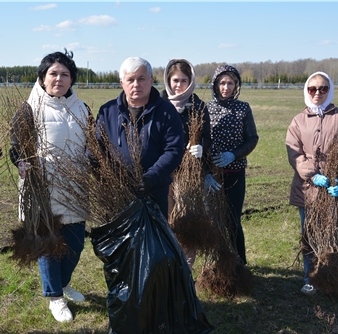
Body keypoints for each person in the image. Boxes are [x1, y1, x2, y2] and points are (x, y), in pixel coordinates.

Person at [9, 50, 90, 323]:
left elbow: (91, 145)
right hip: (42, 189)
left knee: (76, 243)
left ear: (72, 79)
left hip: (75, 187)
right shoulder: (28, 108)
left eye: (65, 74)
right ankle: (55, 297)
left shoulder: (83, 108)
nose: (59, 79)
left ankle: (64, 282)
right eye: (53, 73)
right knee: (48, 243)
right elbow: (16, 148)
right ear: (42, 77)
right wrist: (21, 162)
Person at [286, 71, 338, 308]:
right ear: (306, 91)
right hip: (307, 189)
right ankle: (313, 278)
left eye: (323, 89)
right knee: (310, 236)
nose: (317, 93)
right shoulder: (298, 120)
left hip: (337, 189)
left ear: (330, 91)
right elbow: (294, 154)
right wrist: (312, 175)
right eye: (312, 89)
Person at [96, 56, 185, 218]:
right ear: (122, 83)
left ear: (151, 81)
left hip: (154, 193)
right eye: (130, 79)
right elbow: (97, 148)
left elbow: (174, 150)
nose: (136, 84)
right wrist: (110, 178)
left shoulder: (167, 112)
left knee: (153, 242)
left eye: (141, 79)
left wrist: (151, 177)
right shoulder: (107, 112)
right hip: (117, 195)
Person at [160, 58, 212, 268]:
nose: (178, 85)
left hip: (188, 175)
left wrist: (202, 147)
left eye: (183, 80)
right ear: (168, 80)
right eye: (175, 80)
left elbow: (208, 137)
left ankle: (186, 269)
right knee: (167, 220)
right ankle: (169, 265)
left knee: (187, 220)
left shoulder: (199, 107)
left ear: (190, 81)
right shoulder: (159, 105)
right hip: (164, 173)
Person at [207, 65, 259, 265]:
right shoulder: (207, 108)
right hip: (213, 176)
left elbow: (252, 139)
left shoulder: (243, 108)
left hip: (235, 173)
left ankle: (239, 263)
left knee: (233, 221)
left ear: (236, 85)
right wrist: (207, 172)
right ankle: (218, 262)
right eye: (222, 83)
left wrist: (233, 155)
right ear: (215, 84)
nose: (226, 87)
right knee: (215, 221)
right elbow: (201, 140)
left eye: (230, 83)